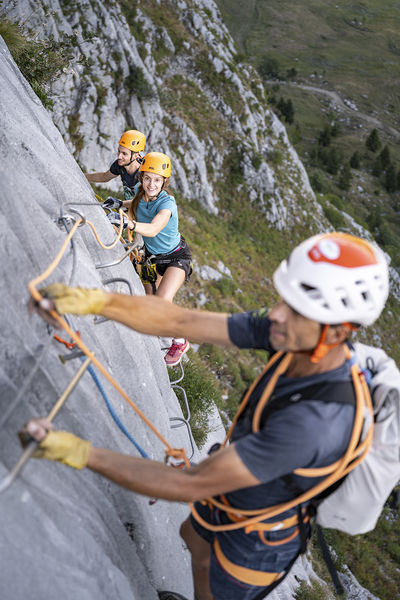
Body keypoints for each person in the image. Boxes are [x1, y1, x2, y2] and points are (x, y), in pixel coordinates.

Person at [26, 232, 389, 600]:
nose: (276, 313)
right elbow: (182, 322)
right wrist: (95, 301)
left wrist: (76, 451)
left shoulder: (315, 426)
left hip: (254, 541)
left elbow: (189, 484)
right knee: (194, 539)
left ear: (340, 331)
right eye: (285, 300)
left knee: (214, 581)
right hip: (233, 493)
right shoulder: (291, 334)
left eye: (297, 311)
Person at [108, 151, 193, 367]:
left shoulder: (167, 204)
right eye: (147, 178)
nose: (151, 184)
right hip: (153, 258)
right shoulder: (140, 192)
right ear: (141, 177)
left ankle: (181, 341)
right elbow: (136, 203)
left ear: (164, 182)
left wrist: (130, 224)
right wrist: (120, 204)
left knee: (163, 300)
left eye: (156, 180)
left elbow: (154, 228)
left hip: (176, 258)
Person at [85, 129, 146, 202]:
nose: (119, 156)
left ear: (135, 156)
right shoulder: (120, 165)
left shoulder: (144, 176)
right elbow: (104, 177)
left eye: (124, 154)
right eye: (119, 151)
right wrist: (82, 176)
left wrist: (121, 204)